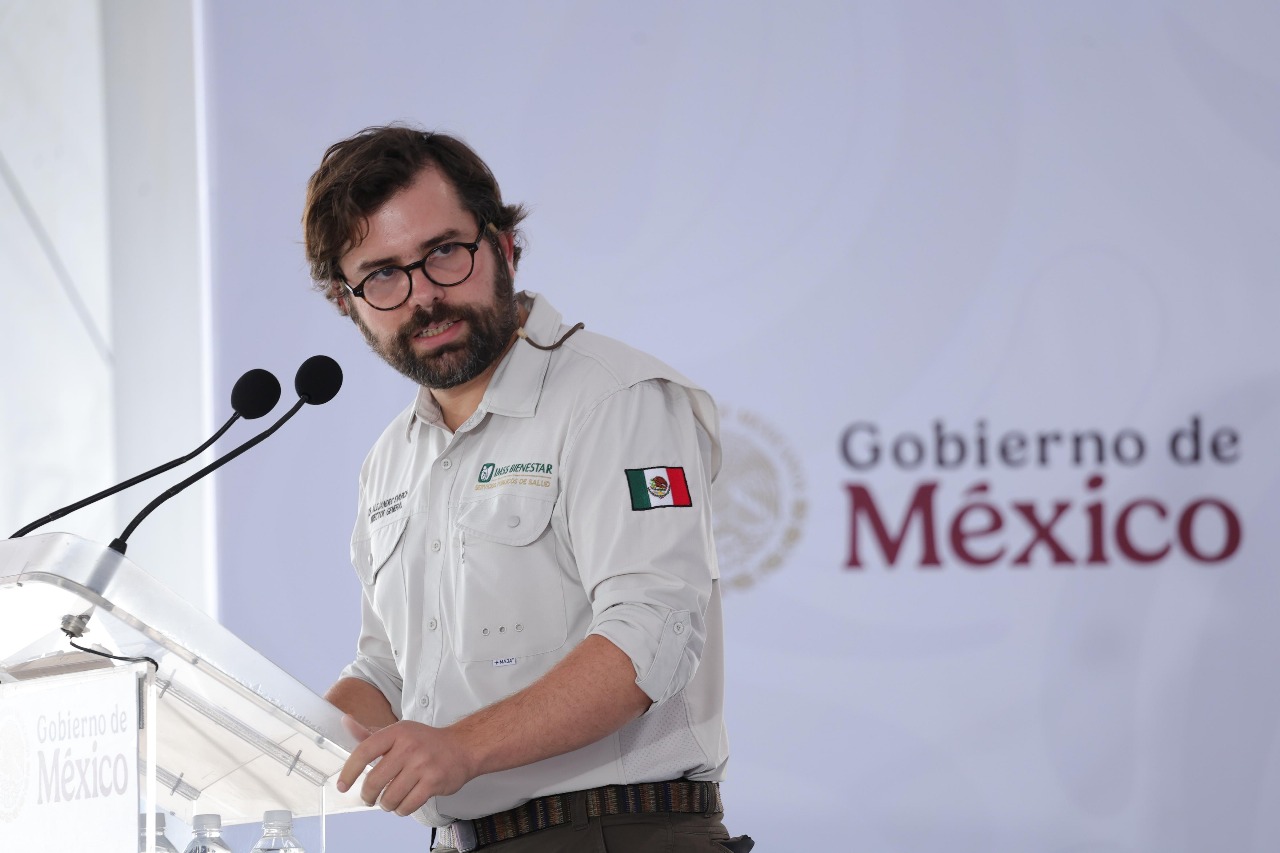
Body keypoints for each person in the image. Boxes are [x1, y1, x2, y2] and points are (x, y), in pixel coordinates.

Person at [303, 126, 749, 853]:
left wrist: (463, 747)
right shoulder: (390, 459)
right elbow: (389, 672)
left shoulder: (615, 398)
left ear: (504, 246)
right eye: (381, 275)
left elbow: (653, 633)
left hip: (617, 834)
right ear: (346, 303)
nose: (424, 296)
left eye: (445, 253)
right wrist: (274, 738)